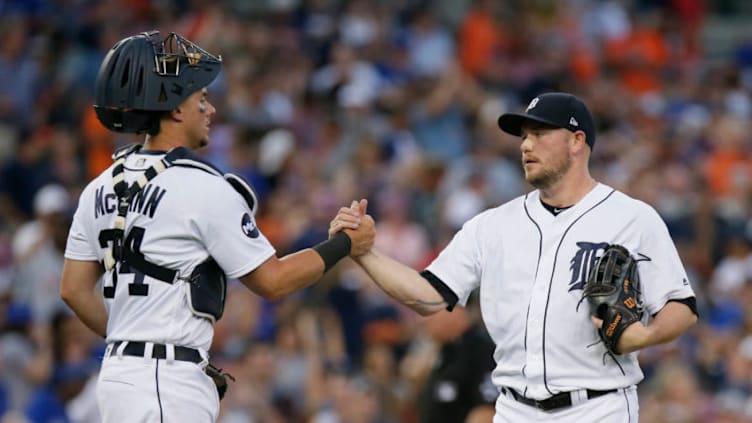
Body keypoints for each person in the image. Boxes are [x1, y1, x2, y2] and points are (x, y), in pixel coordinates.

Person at [59, 31, 374, 423]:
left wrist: (132, 337)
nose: (210, 110)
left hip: (120, 375)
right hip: (165, 380)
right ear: (174, 109)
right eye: (201, 99)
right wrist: (344, 244)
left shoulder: (99, 186)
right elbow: (272, 281)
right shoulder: (202, 185)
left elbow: (73, 289)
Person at [331, 92, 698, 422]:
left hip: (598, 408)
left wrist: (641, 337)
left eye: (540, 134)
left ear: (576, 141)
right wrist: (364, 254)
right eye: (524, 136)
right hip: (513, 409)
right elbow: (429, 296)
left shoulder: (632, 218)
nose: (526, 145)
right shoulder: (491, 225)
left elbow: (680, 305)